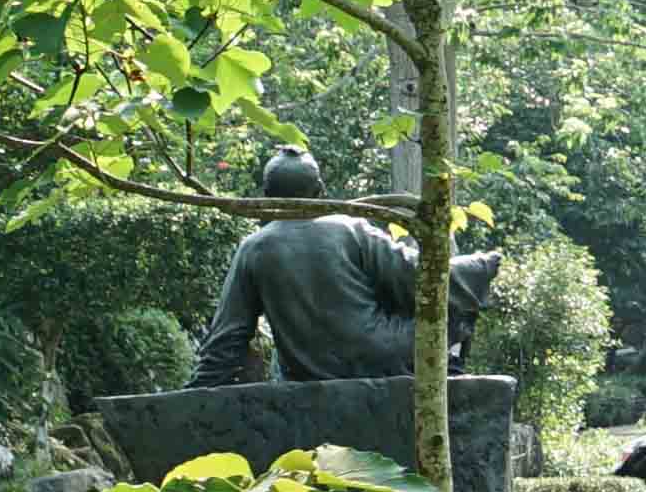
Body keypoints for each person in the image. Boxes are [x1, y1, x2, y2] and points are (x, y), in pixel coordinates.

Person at [192, 143, 497, 387]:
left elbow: (226, 338)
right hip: (384, 357)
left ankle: (452, 377)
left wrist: (194, 394)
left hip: (308, 371)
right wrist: (481, 266)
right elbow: (414, 277)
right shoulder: (349, 228)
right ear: (320, 191)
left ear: (267, 195)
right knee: (463, 298)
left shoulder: (253, 248)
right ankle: (452, 377)